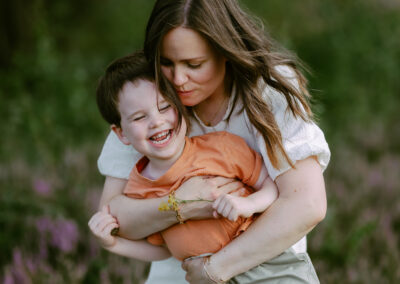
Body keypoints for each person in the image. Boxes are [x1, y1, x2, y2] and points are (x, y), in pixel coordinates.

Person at [97, 0, 330, 283]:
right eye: (167, 63)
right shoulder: (145, 98)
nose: (179, 79)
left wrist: (215, 269)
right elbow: (114, 217)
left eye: (194, 64)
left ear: (225, 52)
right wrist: (180, 204)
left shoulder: (268, 90)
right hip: (182, 270)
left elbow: (307, 203)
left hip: (263, 264)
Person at [89, 52, 280, 276]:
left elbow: (271, 186)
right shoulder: (139, 189)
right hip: (204, 277)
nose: (156, 122)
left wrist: (249, 205)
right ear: (121, 133)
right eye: (140, 117)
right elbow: (162, 251)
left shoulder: (220, 147)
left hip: (265, 266)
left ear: (180, 106)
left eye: (164, 107)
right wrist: (113, 245)